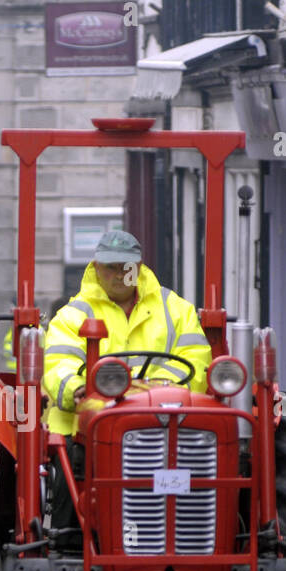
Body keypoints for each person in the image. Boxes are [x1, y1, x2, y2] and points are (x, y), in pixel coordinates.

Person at [42, 229, 213, 544]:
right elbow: (58, 364)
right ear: (96, 267)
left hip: (168, 420)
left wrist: (155, 390)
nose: (119, 273)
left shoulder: (176, 309)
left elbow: (197, 358)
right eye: (110, 266)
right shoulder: (72, 315)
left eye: (126, 266)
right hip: (86, 429)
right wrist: (78, 389)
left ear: (139, 265)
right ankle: (68, 546)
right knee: (68, 473)